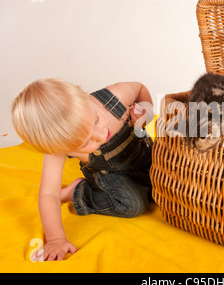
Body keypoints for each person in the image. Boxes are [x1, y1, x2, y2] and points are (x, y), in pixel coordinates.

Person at [11, 78, 154, 261]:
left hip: (144, 153)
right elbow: (48, 194)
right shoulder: (57, 146)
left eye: (95, 120)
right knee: (133, 205)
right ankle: (80, 192)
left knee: (172, 175)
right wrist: (56, 239)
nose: (101, 133)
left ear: (82, 94)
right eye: (86, 143)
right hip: (112, 177)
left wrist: (146, 111)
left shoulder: (114, 98)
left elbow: (139, 87)